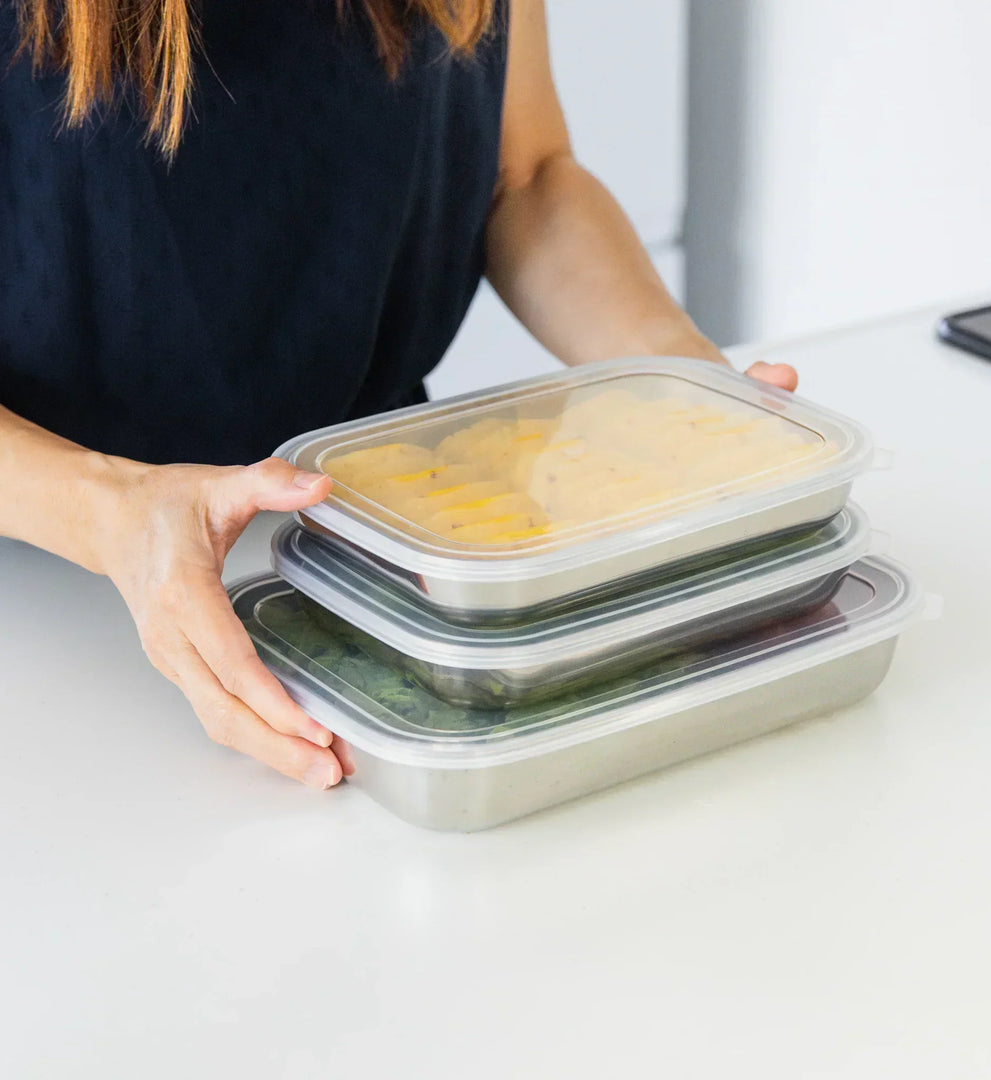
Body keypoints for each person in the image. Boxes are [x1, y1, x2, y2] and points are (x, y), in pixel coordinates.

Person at [0, 0, 798, 789]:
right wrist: (112, 512)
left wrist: (682, 381)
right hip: (54, 576)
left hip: (375, 534)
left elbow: (524, 176)